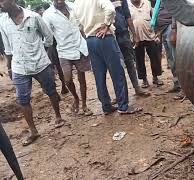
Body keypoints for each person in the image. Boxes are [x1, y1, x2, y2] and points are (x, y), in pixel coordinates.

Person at [0, 0, 65, 146]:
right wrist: (10, 67)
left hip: (40, 63)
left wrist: (47, 56)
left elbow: (48, 37)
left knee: (51, 91)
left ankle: (58, 116)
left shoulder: (33, 16)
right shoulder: (3, 21)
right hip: (19, 67)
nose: (1, 3)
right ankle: (33, 131)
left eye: (4, 0)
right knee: (23, 99)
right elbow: (8, 48)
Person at [73, 0, 142, 115]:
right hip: (105, 37)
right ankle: (123, 106)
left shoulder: (76, 3)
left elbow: (78, 23)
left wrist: (87, 34)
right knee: (117, 73)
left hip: (90, 40)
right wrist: (107, 25)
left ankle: (106, 106)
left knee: (99, 75)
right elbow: (110, 9)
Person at [43, 0, 93, 115]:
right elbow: (48, 35)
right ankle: (76, 98)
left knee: (82, 79)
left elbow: (82, 25)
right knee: (68, 80)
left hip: (80, 47)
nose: (59, 1)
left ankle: (84, 105)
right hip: (64, 51)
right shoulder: (48, 14)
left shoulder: (73, 7)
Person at [111, 0, 150, 97]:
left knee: (130, 62)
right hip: (110, 36)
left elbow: (128, 17)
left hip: (123, 34)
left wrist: (134, 34)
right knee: (116, 66)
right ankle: (121, 94)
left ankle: (137, 88)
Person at [129, 0, 164, 88]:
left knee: (154, 57)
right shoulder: (127, 6)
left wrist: (157, 33)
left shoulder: (147, 3)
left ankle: (155, 77)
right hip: (136, 37)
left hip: (150, 35)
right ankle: (144, 80)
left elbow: (154, 17)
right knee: (139, 59)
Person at [152, 0, 181, 93]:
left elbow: (175, 12)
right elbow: (156, 14)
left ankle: (183, 87)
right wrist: (157, 31)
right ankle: (177, 84)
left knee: (175, 58)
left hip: (170, 27)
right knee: (170, 59)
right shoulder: (157, 2)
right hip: (162, 29)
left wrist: (174, 28)